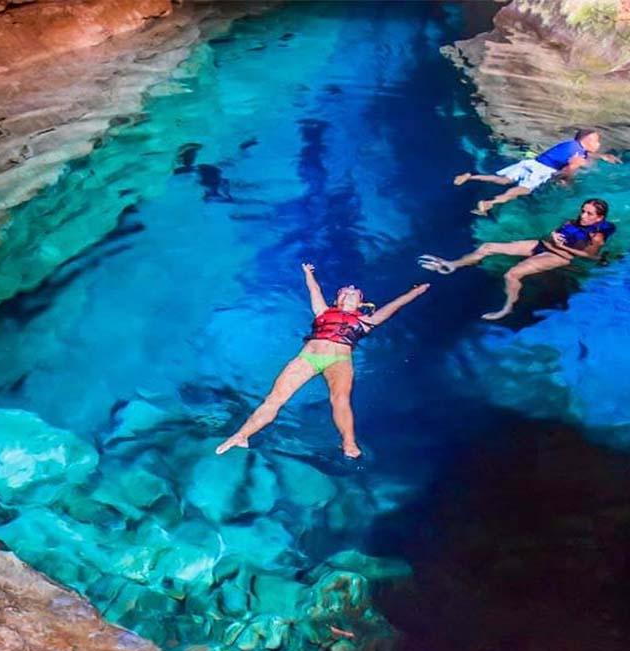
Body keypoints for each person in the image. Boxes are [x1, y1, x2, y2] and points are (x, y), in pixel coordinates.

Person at [215, 264, 430, 458]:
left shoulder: (367, 321)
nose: (349, 292)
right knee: (275, 398)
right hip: (308, 357)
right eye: (344, 292)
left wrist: (415, 292)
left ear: (361, 303)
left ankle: (348, 443)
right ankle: (241, 435)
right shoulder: (323, 311)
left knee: (340, 400)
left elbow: (394, 306)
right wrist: (308, 273)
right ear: (336, 300)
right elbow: (314, 291)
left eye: (353, 293)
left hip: (339, 361)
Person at [418, 198, 615, 320]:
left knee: (512, 274)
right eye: (583, 210)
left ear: (599, 218)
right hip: (542, 244)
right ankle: (453, 264)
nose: (583, 215)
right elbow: (554, 233)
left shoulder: (596, 235)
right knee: (488, 247)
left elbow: (589, 255)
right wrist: (552, 236)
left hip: (558, 256)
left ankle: (507, 308)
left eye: (589, 213)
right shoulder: (573, 221)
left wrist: (561, 246)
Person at [454, 130, 621, 215]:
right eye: (598, 141)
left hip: (532, 163)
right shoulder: (578, 155)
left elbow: (583, 154)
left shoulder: (571, 144)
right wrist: (567, 181)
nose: (599, 144)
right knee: (522, 190)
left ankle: (470, 176)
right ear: (588, 140)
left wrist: (602, 156)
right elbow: (567, 170)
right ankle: (489, 204)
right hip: (543, 171)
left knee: (502, 180)